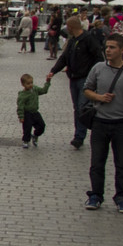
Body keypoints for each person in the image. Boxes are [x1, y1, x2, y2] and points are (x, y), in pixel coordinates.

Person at [82, 34, 123, 213]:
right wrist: (99, 97)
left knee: (122, 163)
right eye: (107, 47)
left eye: (112, 47)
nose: (108, 50)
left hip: (122, 123)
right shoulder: (98, 68)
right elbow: (87, 89)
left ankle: (122, 197)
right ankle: (95, 195)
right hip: (100, 122)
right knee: (97, 162)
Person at [48, 17, 106, 150]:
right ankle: (78, 134)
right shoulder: (73, 40)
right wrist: (53, 71)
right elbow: (64, 58)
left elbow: (98, 58)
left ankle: (79, 136)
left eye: (67, 26)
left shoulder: (88, 39)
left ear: (71, 27)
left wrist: (94, 75)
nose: (66, 29)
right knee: (77, 107)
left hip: (85, 78)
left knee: (82, 106)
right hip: (73, 78)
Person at [16, 74, 52, 149]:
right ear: (23, 84)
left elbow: (43, 91)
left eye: (31, 83)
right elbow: (20, 107)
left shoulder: (35, 89)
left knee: (42, 126)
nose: (30, 85)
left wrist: (47, 82)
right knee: (27, 128)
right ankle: (26, 141)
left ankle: (35, 135)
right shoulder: (22, 95)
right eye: (28, 83)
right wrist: (21, 117)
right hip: (27, 114)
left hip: (35, 112)